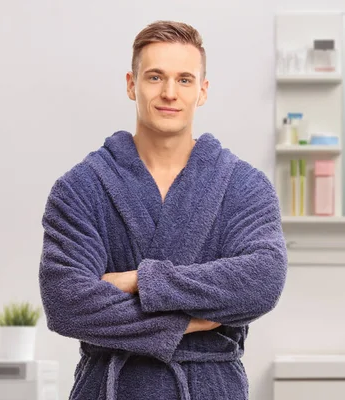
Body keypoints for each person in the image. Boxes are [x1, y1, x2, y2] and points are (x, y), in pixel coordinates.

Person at [38, 20, 288, 400]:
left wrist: (140, 280)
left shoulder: (244, 186)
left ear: (202, 91)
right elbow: (65, 302)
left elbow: (262, 282)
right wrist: (190, 320)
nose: (169, 92)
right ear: (130, 84)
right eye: (155, 77)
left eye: (184, 80)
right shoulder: (80, 188)